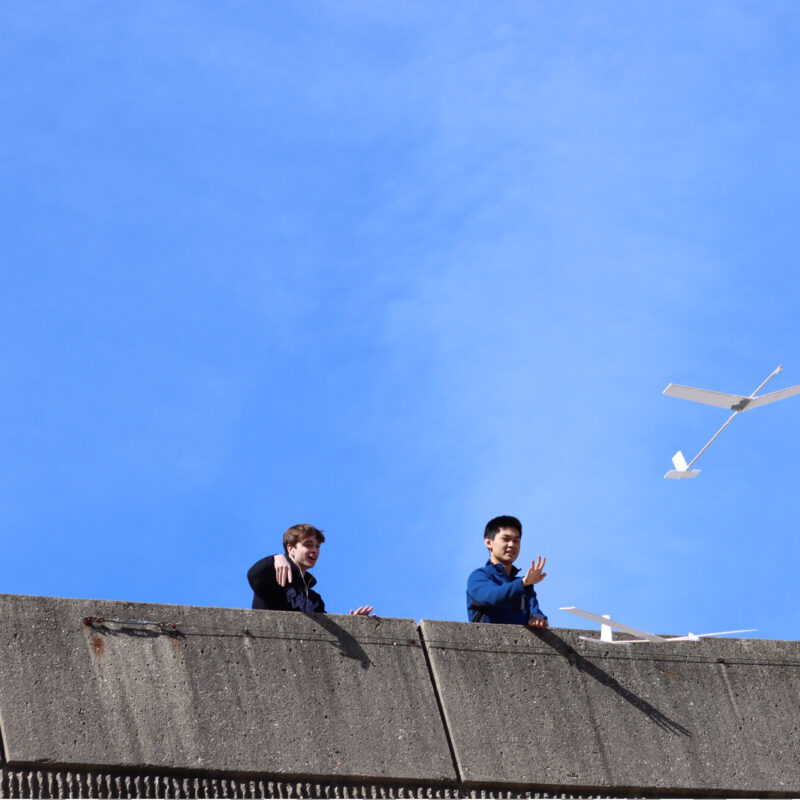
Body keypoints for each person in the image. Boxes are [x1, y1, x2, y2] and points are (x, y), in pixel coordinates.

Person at [248, 523, 373, 615]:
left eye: (317, 546)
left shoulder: (314, 599)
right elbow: (254, 575)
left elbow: (328, 628)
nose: (314, 550)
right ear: (290, 549)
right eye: (308, 545)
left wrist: (352, 623)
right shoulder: (272, 577)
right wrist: (276, 558)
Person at [466, 515, 548, 627]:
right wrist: (523, 583)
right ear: (488, 542)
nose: (512, 545)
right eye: (505, 539)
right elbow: (492, 596)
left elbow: (535, 612)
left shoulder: (525, 586)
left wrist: (538, 619)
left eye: (516, 540)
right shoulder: (479, 577)